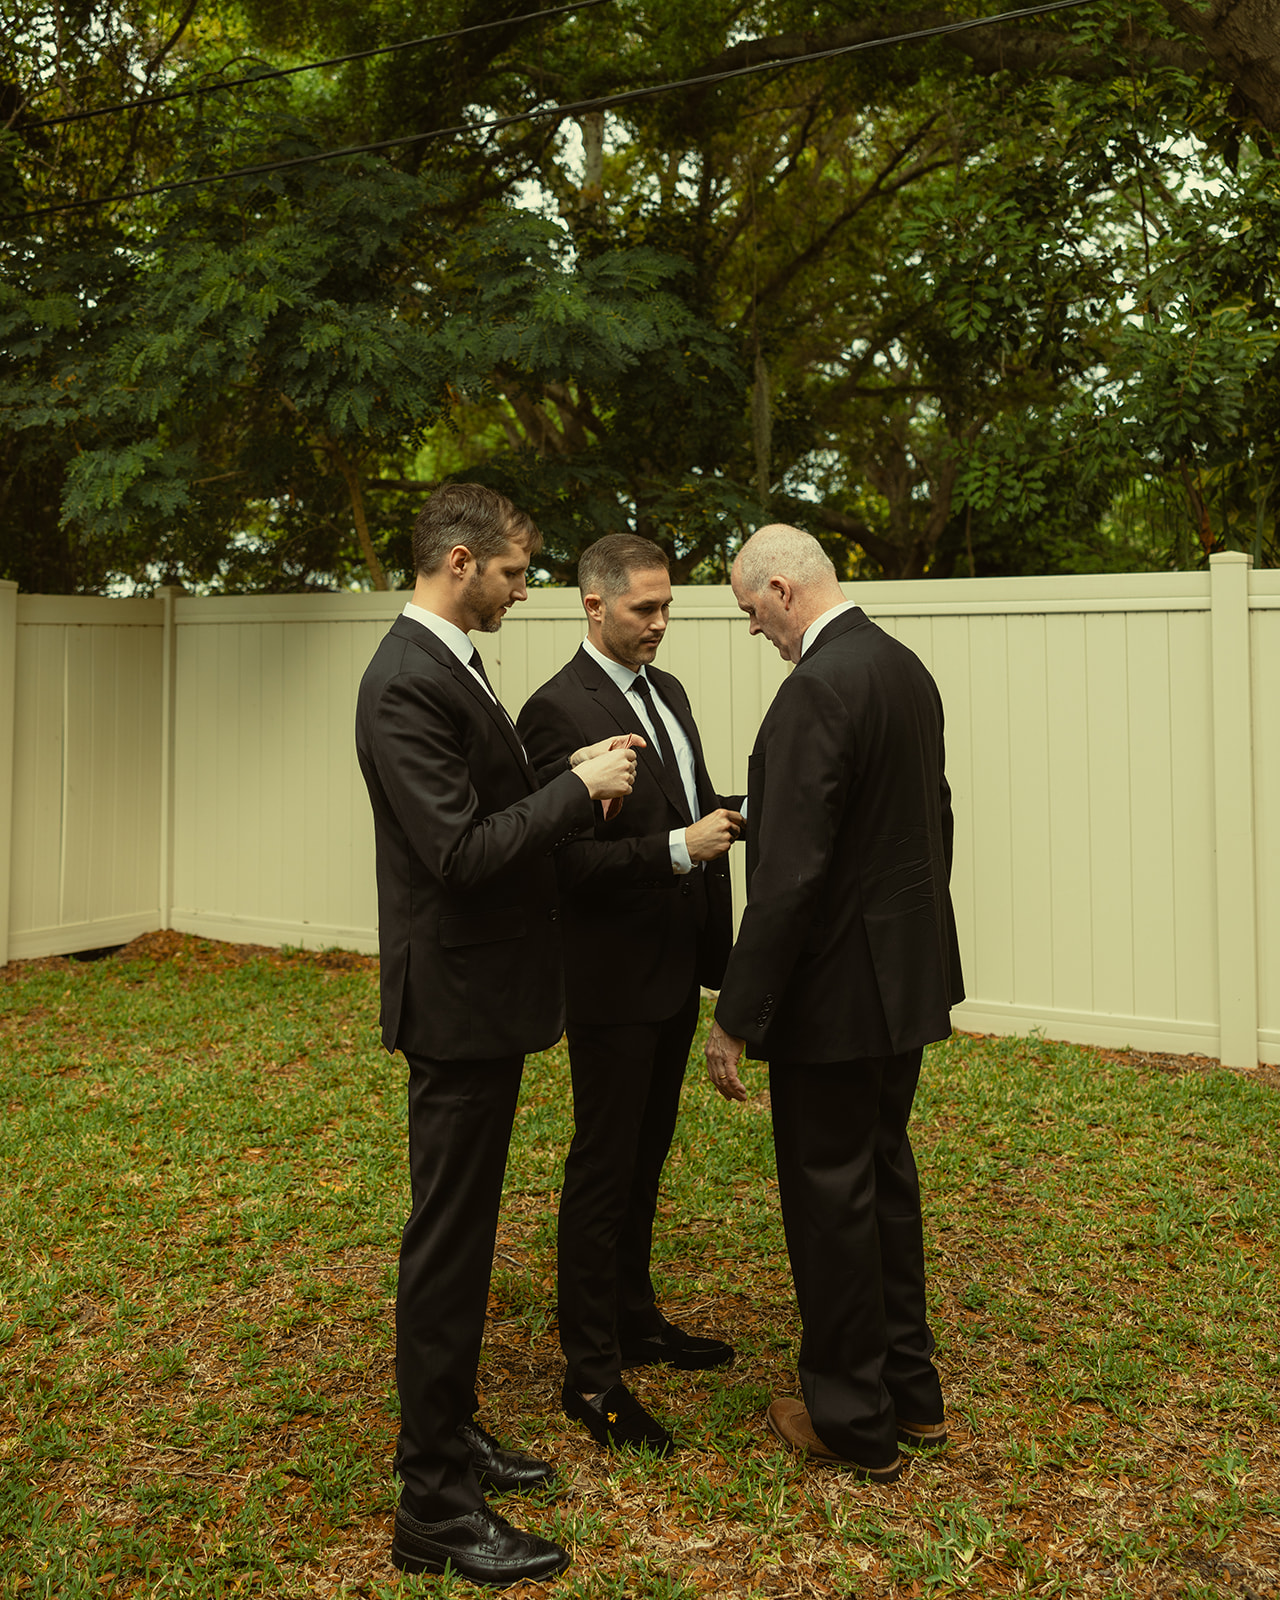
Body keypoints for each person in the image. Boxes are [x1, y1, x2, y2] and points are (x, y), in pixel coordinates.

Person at [354, 484, 638, 1584]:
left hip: (490, 999)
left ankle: (453, 1427)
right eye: (517, 574)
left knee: (465, 1238)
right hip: (455, 1006)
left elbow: (484, 806)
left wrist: (564, 779)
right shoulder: (401, 683)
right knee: (446, 1246)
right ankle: (431, 1502)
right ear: (460, 561)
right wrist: (573, 792)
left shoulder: (450, 660)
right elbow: (460, 854)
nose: (527, 591)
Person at [704, 523, 965, 1484]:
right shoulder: (903, 668)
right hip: (903, 984)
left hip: (836, 1001)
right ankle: (913, 1394)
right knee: (883, 1178)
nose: (754, 630)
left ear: (781, 589)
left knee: (830, 1199)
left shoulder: (814, 687)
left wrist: (738, 1011)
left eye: (749, 612)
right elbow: (928, 821)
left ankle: (854, 1421)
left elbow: (789, 875)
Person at [517, 534, 743, 1455]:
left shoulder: (671, 693)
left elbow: (679, 803)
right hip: (610, 981)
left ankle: (637, 1317)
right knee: (603, 1167)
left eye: (666, 609)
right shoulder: (552, 711)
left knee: (648, 1155)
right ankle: (592, 1373)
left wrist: (729, 817)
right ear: (593, 605)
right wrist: (678, 849)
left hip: (673, 966)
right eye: (644, 609)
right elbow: (559, 862)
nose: (659, 624)